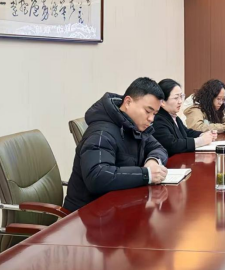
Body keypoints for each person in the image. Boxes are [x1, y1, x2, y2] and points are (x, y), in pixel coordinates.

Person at [63, 77, 169, 212]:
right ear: (128, 102)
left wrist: (153, 161)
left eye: (154, 114)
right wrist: (146, 174)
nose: (151, 119)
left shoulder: (134, 126)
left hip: (119, 206)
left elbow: (158, 148)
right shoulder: (101, 133)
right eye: (148, 111)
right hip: (87, 214)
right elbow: (97, 176)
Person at [153, 78, 217, 156]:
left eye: (181, 96)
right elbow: (172, 145)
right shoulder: (157, 120)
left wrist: (203, 134)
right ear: (162, 102)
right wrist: (200, 141)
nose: (180, 101)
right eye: (176, 98)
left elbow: (186, 132)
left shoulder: (174, 117)